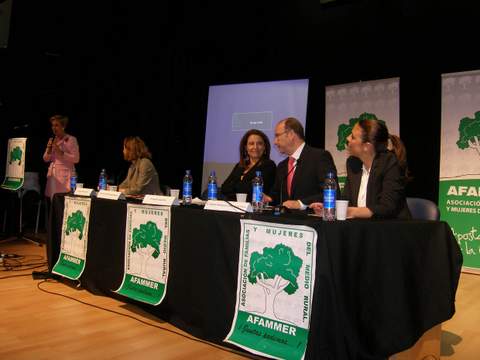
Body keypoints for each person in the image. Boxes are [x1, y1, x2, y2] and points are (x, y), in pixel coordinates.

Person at [311, 119, 411, 219]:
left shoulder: (390, 163)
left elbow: (386, 208)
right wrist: (330, 209)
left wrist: (351, 211)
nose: (348, 138)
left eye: (353, 137)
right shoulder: (353, 163)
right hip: (363, 228)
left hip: (392, 228)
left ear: (366, 147)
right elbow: (347, 200)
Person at [264, 117, 338, 210]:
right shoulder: (282, 166)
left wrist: (301, 204)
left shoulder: (319, 157)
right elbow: (277, 196)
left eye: (277, 136)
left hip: (311, 221)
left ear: (291, 134)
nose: (275, 142)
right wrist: (268, 199)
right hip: (285, 221)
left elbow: (332, 192)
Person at [221, 129, 276, 201]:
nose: (255, 147)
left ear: (264, 147)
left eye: (259, 143)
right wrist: (242, 187)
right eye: (251, 143)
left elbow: (252, 190)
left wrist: (236, 186)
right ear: (246, 147)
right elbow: (224, 188)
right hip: (237, 207)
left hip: (256, 208)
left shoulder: (269, 165)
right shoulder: (240, 165)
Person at [43, 115, 80, 199]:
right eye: (52, 125)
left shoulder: (71, 139)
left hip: (65, 179)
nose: (53, 128)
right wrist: (48, 149)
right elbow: (45, 159)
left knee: (61, 204)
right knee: (53, 204)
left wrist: (61, 153)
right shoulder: (52, 140)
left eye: (56, 125)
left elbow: (76, 159)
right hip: (53, 177)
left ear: (63, 126)